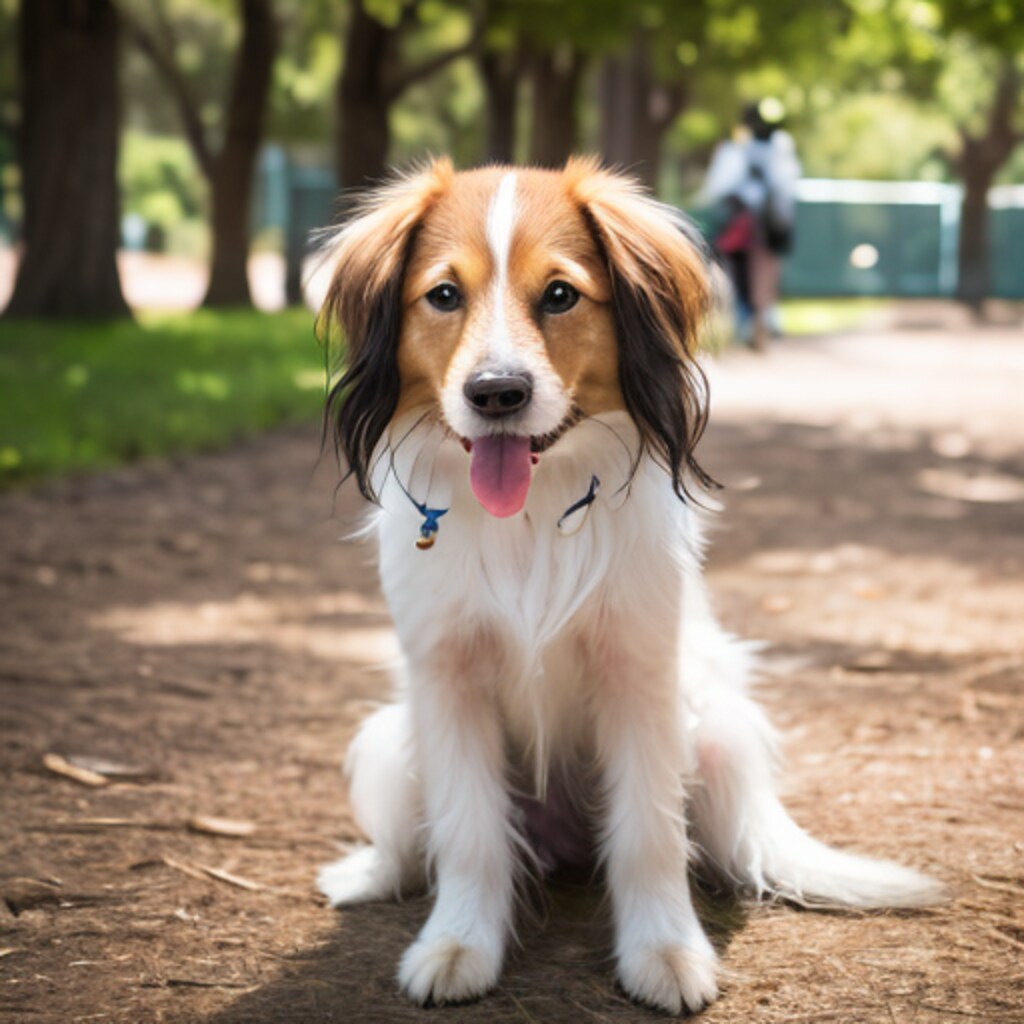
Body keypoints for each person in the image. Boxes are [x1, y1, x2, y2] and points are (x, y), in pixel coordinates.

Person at [701, 98, 801, 351]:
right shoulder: (778, 152)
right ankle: (758, 319)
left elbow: (718, 187)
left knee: (744, 274)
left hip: (748, 225)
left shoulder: (739, 150)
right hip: (765, 227)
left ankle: (753, 320)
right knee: (760, 274)